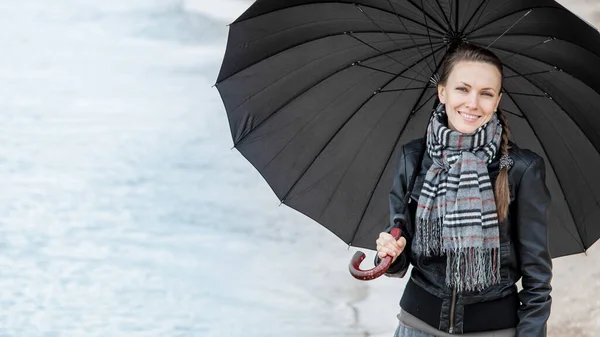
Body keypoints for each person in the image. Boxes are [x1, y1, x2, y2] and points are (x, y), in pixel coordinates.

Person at [375, 43, 552, 337]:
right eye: (462, 89)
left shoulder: (518, 166)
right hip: (417, 326)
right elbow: (401, 249)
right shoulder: (414, 157)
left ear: (497, 101)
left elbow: (537, 277)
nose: (472, 103)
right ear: (442, 92)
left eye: (486, 93)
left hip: (493, 330)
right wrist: (391, 254)